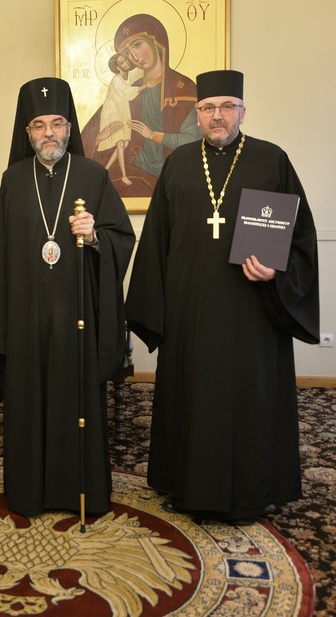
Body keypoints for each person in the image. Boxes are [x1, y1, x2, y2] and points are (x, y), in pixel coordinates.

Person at [125, 69, 320, 523]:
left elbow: (301, 238)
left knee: (248, 399)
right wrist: (153, 309)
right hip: (189, 310)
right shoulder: (178, 163)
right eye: (209, 108)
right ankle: (189, 488)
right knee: (192, 398)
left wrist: (276, 271)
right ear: (196, 114)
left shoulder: (272, 160)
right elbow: (155, 240)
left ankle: (251, 491)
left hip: (252, 312)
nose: (218, 116)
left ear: (243, 112)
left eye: (228, 107)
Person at [0, 77, 135, 518]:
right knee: (27, 403)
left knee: (75, 399)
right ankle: (28, 493)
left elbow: (122, 238)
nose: (49, 133)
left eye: (57, 124)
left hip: (76, 316)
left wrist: (96, 235)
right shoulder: (12, 180)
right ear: (27, 132)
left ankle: (77, 490)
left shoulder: (94, 175)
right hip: (25, 318)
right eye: (39, 125)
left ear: (69, 127)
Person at [80, 14, 201, 191]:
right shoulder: (130, 91)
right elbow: (86, 140)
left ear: (156, 40)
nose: (134, 57)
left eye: (137, 45)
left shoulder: (184, 88)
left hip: (175, 177)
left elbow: (195, 141)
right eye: (126, 53)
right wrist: (99, 137)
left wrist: (153, 135)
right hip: (136, 172)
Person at [94, 53, 141, 186]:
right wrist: (144, 87)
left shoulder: (128, 75)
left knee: (125, 143)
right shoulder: (116, 79)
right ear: (118, 67)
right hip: (113, 110)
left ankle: (106, 169)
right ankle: (124, 176)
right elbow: (127, 93)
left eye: (125, 60)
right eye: (122, 62)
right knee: (120, 143)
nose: (126, 63)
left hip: (123, 109)